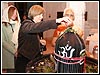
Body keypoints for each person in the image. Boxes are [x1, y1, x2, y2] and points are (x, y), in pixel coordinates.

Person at [15, 5, 73, 73]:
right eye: (40, 14)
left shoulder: (33, 25)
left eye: (42, 15)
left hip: (31, 59)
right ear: (34, 13)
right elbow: (35, 27)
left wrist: (40, 43)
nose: (41, 17)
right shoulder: (26, 24)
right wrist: (57, 20)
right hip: (23, 61)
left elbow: (30, 39)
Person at [2, 5, 21, 73]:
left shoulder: (18, 24)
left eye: (16, 13)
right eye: (13, 13)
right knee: (11, 71)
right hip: (9, 53)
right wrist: (14, 51)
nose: (15, 15)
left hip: (19, 51)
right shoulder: (3, 25)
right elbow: (3, 41)